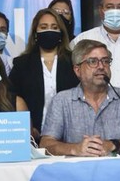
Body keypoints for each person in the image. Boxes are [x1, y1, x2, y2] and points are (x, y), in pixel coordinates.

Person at [40, 40, 120, 156]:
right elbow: (46, 143)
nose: (101, 66)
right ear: (77, 70)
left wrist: (113, 145)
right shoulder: (62, 100)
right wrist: (75, 149)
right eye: (93, 61)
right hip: (75, 171)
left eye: (105, 61)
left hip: (116, 170)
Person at [9, 8, 79, 139]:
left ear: (61, 33)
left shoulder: (74, 62)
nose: (49, 30)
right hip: (32, 135)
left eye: (54, 27)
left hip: (70, 136)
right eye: (43, 27)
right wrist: (27, 127)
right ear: (36, 32)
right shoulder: (22, 64)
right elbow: (11, 98)